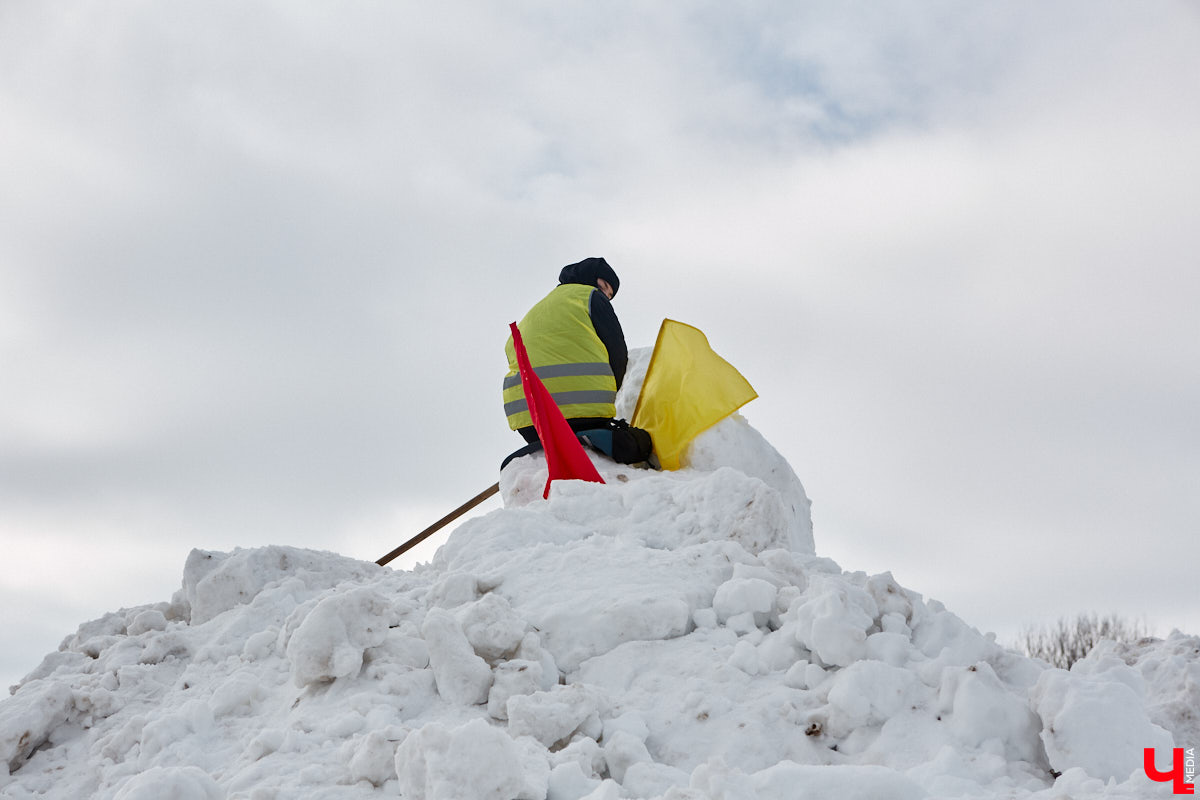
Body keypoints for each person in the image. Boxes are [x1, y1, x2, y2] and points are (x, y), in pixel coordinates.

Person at [503, 257, 652, 465]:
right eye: (606, 287)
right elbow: (617, 350)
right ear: (591, 277)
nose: (606, 296)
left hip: (528, 420)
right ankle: (601, 439)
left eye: (610, 295)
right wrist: (612, 393)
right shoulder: (589, 296)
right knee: (641, 444)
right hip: (579, 413)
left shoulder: (536, 311)